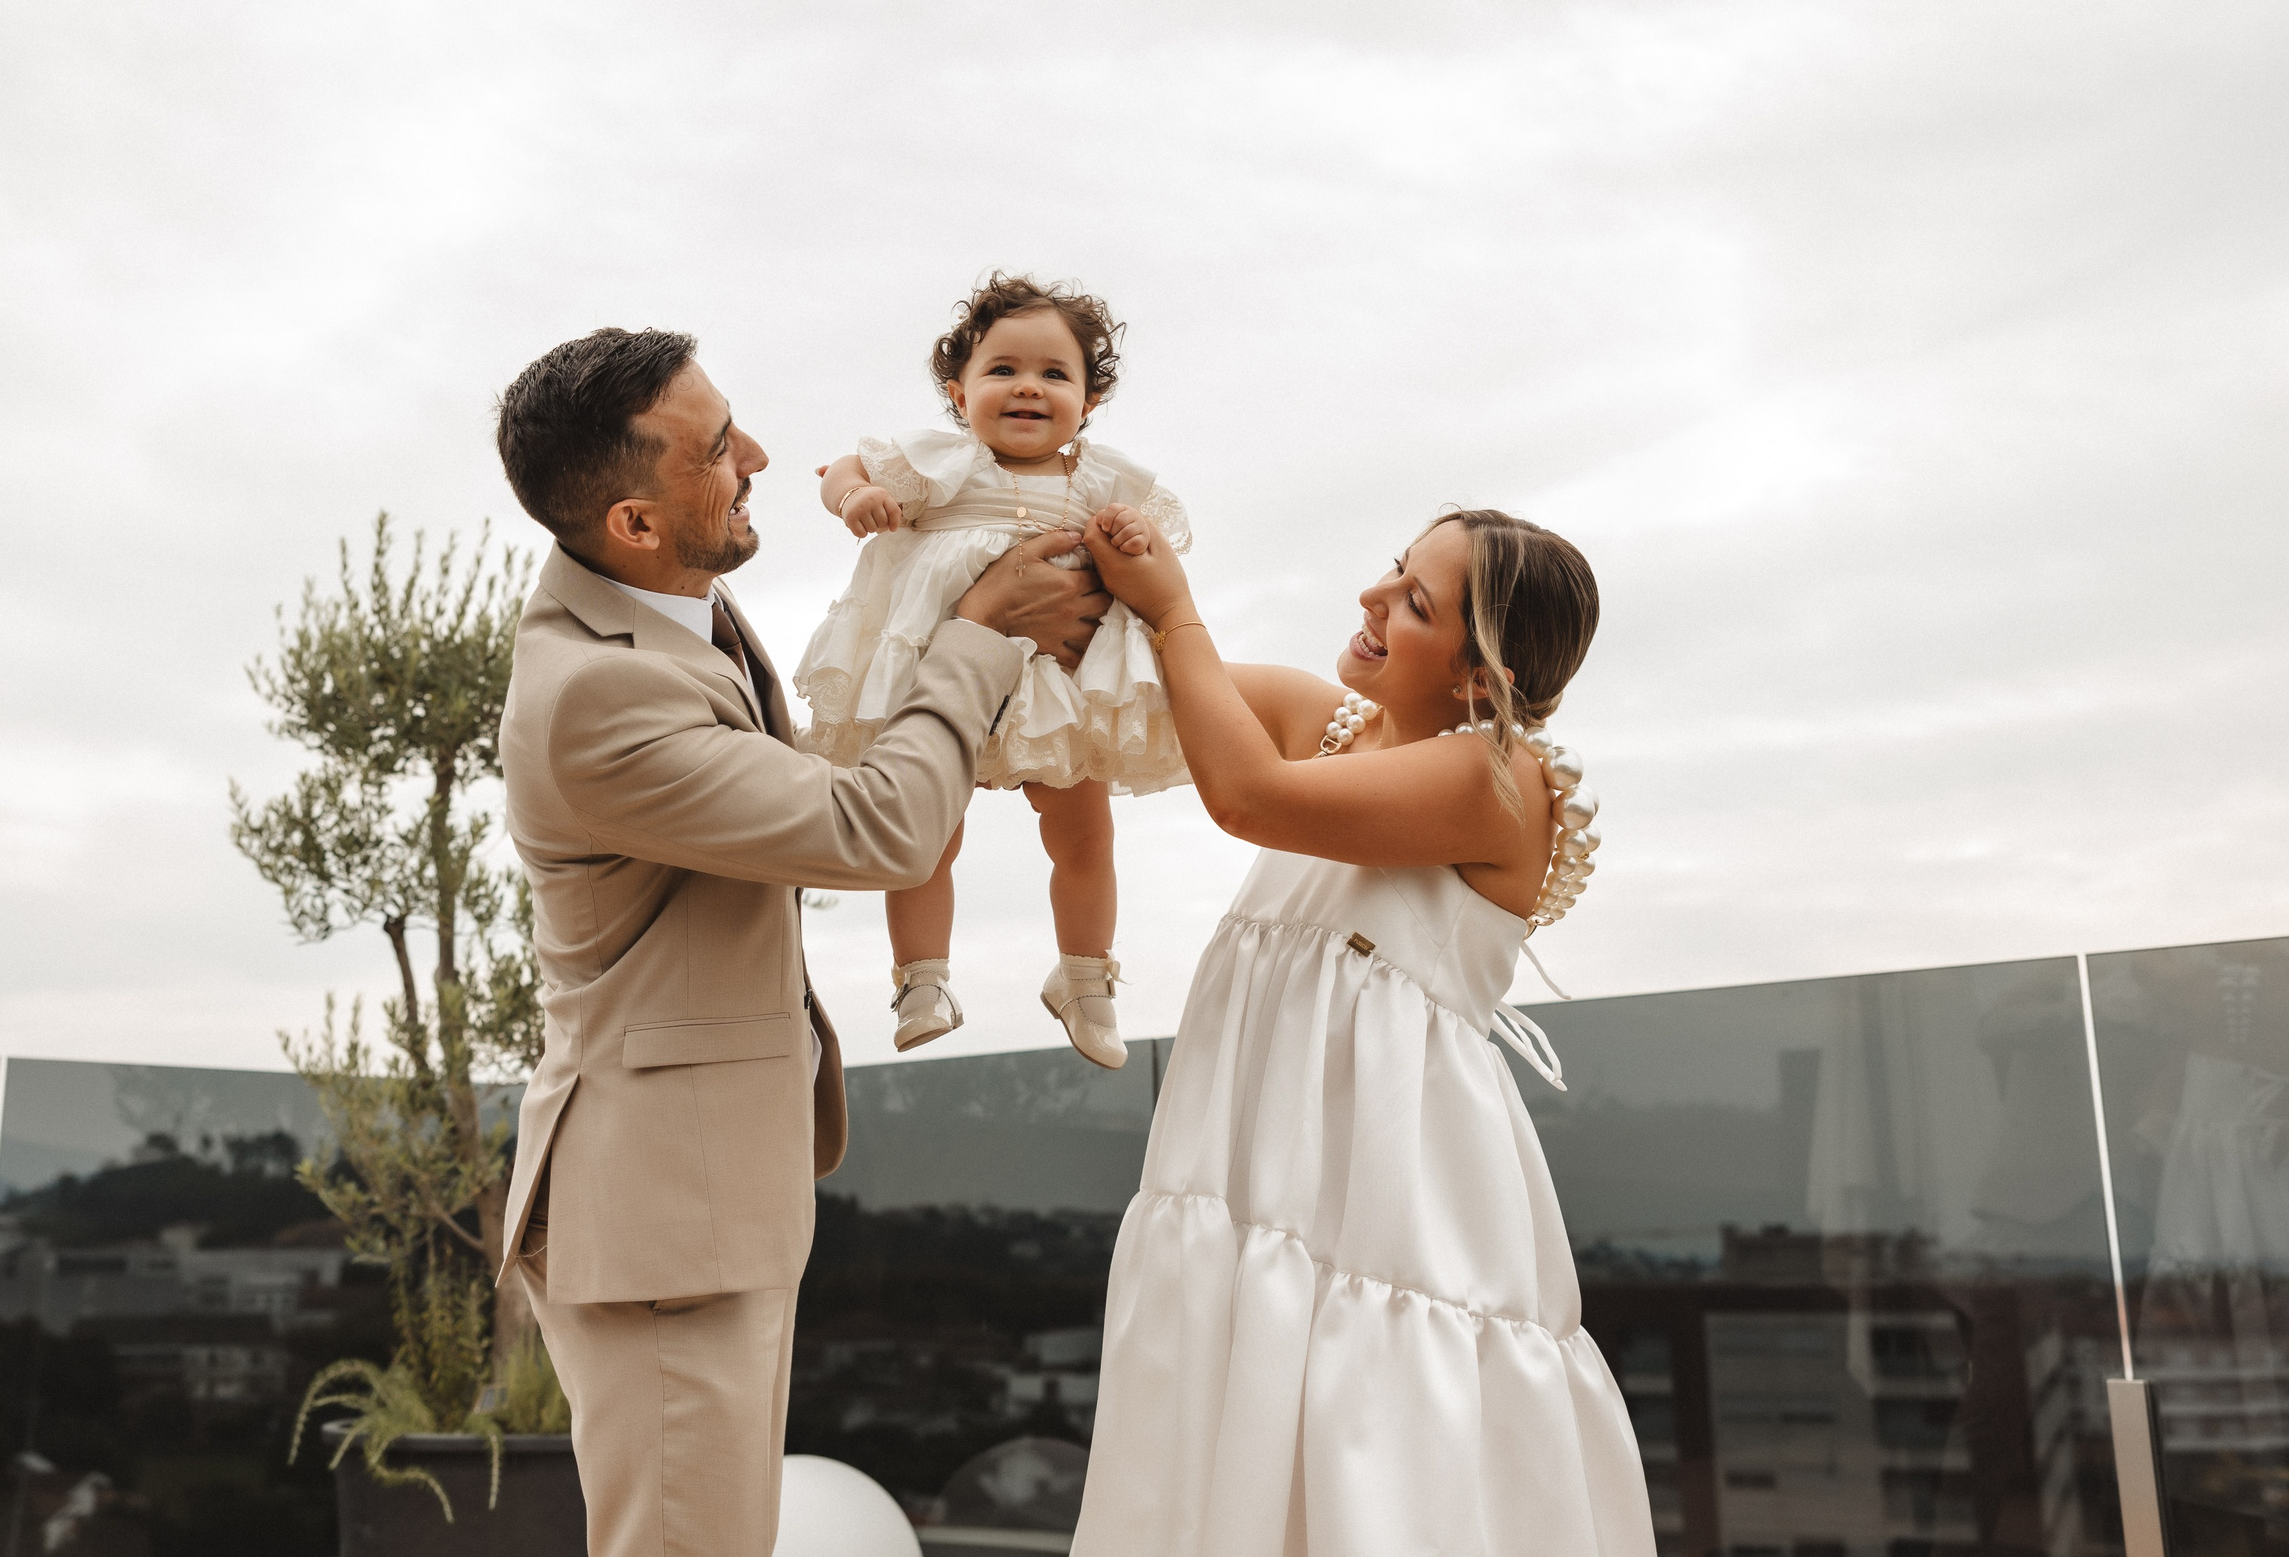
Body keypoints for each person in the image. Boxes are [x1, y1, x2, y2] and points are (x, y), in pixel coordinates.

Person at [489, 326, 1111, 1557]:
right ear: (632, 522)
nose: (761, 457)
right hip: (660, 1218)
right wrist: (978, 630)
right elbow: (874, 829)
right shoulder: (596, 694)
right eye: (719, 451)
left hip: (704, 1200)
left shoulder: (667, 616)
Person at [1067, 501, 1654, 1557]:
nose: (1372, 599)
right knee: (1228, 1411)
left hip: (1389, 1188)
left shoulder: (1499, 777)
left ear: (1481, 679)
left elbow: (1246, 796)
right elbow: (1115, 686)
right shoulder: (1322, 718)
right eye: (1392, 570)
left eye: (1415, 603)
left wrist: (1172, 604)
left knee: (1371, 1430)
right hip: (1247, 1174)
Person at [795, 274, 1192, 1069]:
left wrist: (1132, 536)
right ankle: (920, 978)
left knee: (1083, 832)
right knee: (925, 833)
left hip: (1059, 684)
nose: (1028, 387)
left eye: (1055, 374)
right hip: (944, 677)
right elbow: (838, 465)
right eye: (1002, 369)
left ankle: (1085, 974)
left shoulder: (1101, 479)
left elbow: (1161, 544)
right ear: (958, 390)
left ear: (1089, 401)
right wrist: (856, 496)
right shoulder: (947, 462)